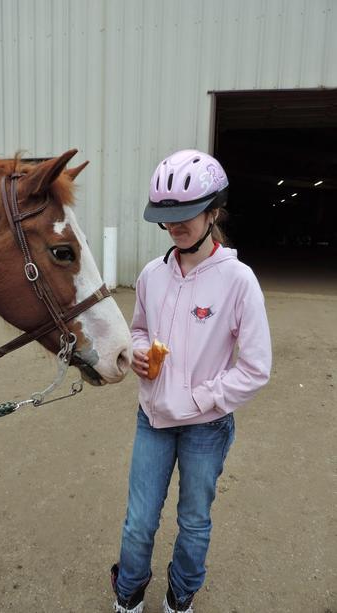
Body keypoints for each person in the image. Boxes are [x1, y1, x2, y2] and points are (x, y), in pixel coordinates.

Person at [111, 150, 272, 613]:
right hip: (152, 418)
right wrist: (140, 353)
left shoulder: (238, 281)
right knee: (139, 521)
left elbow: (256, 367)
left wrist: (203, 398)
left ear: (213, 211)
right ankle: (128, 596)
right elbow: (138, 329)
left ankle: (180, 597)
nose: (175, 226)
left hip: (207, 427)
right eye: (166, 218)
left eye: (185, 215)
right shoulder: (151, 275)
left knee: (194, 520)